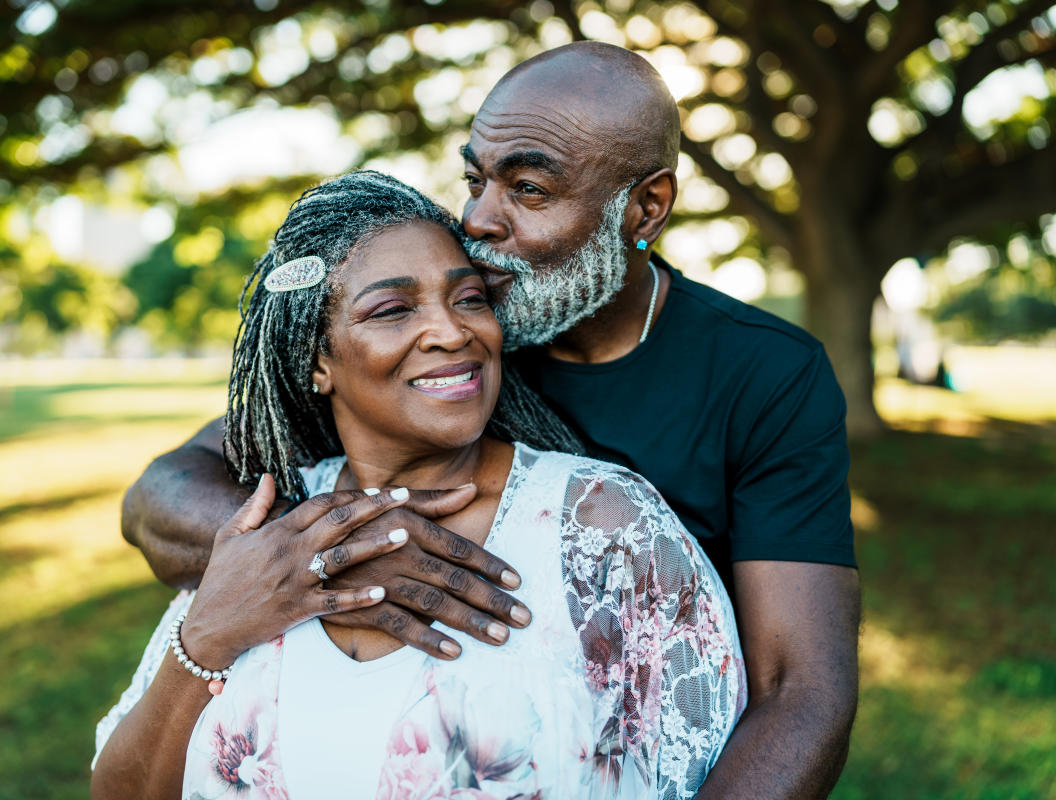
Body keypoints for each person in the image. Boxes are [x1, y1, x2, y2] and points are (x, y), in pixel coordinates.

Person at [121, 43, 860, 799]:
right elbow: (161, 495)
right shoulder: (443, 349)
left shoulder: (763, 374)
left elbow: (800, 692)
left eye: (529, 188)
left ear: (646, 208)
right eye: (476, 178)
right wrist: (343, 549)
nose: (478, 219)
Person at [91, 171, 744, 799]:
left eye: (469, 298)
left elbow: (702, 765)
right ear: (317, 361)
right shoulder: (262, 528)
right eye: (393, 309)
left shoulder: (603, 525)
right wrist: (206, 637)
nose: (453, 331)